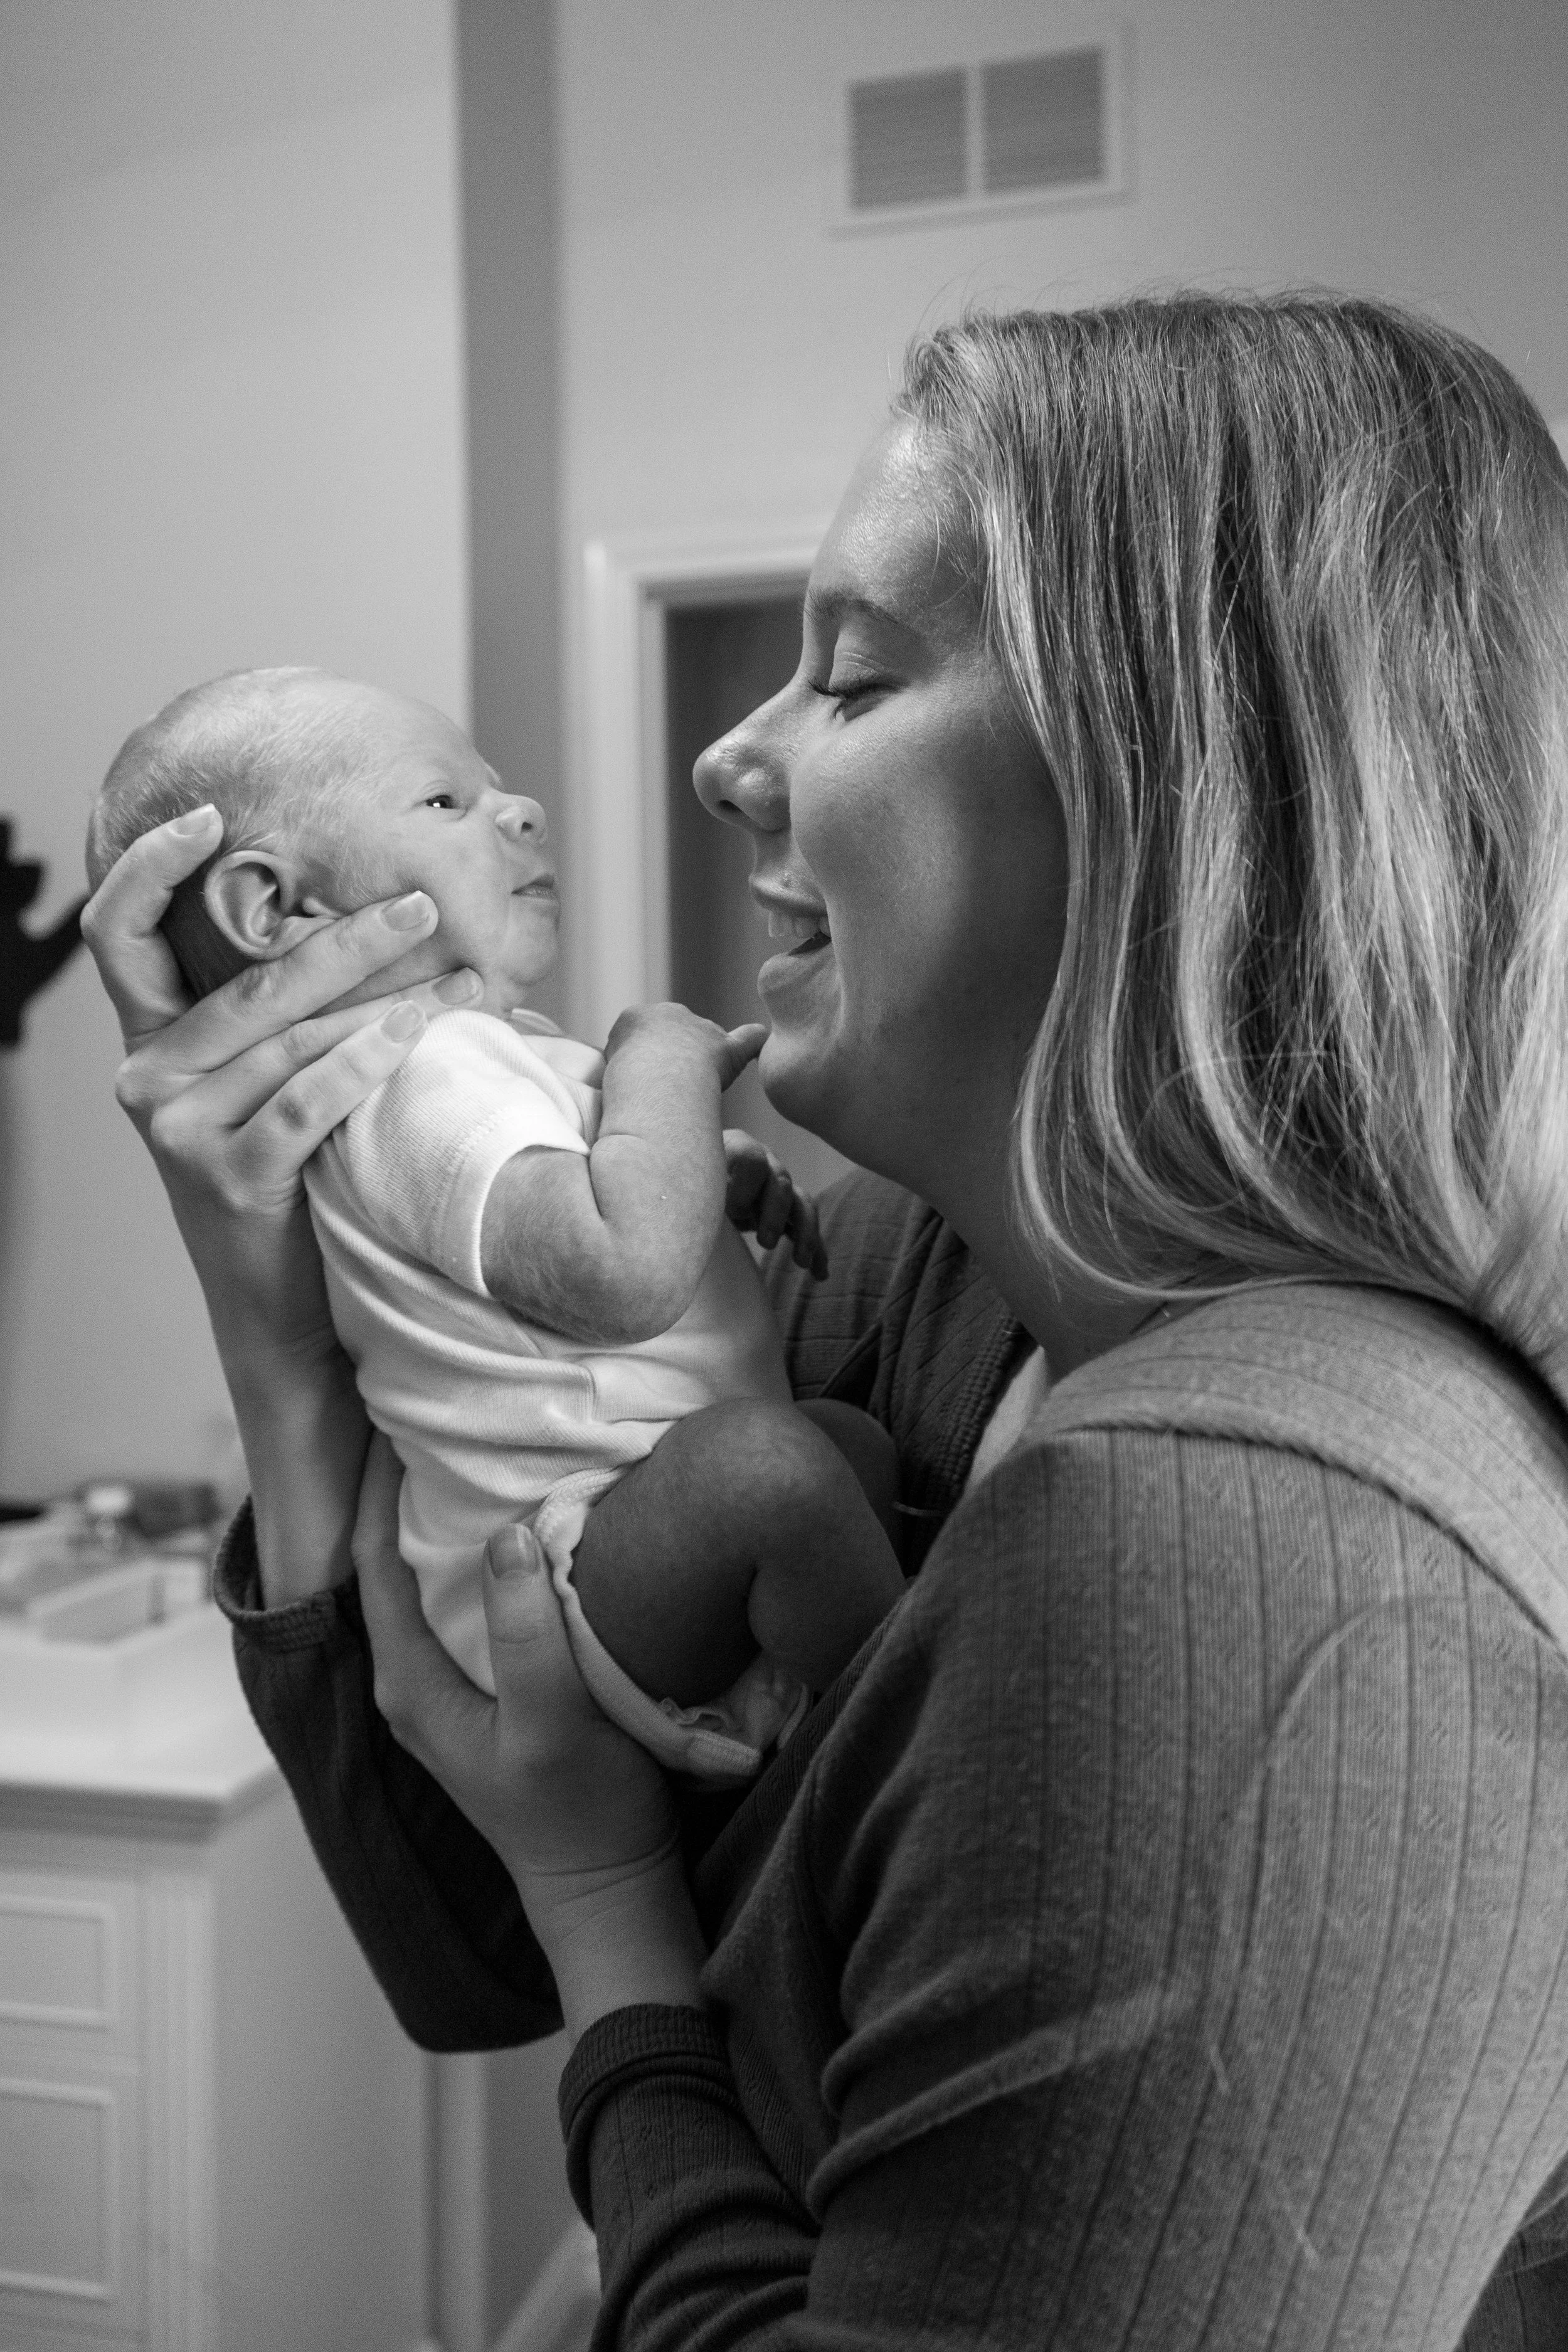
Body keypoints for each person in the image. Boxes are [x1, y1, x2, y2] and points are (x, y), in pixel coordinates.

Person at [83, 293, 1568, 2346]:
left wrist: (615, 1924)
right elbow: (459, 1937)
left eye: (855, 678)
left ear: (1181, 785)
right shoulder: (930, 1290)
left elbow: (562, 1915)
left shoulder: (1258, 1570)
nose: (720, 755)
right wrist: (277, 1322)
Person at [86, 671, 902, 1772]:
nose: (520, 813)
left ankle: (826, 1743)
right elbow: (621, 1270)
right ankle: (913, 1756)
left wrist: (696, 1171)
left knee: (843, 1453)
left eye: (502, 791)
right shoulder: (415, 1072)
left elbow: (586, 1218)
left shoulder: (473, 1062)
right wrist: (660, 1051)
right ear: (276, 908)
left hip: (621, 1539)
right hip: (564, 1558)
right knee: (776, 1472)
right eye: (443, 802)